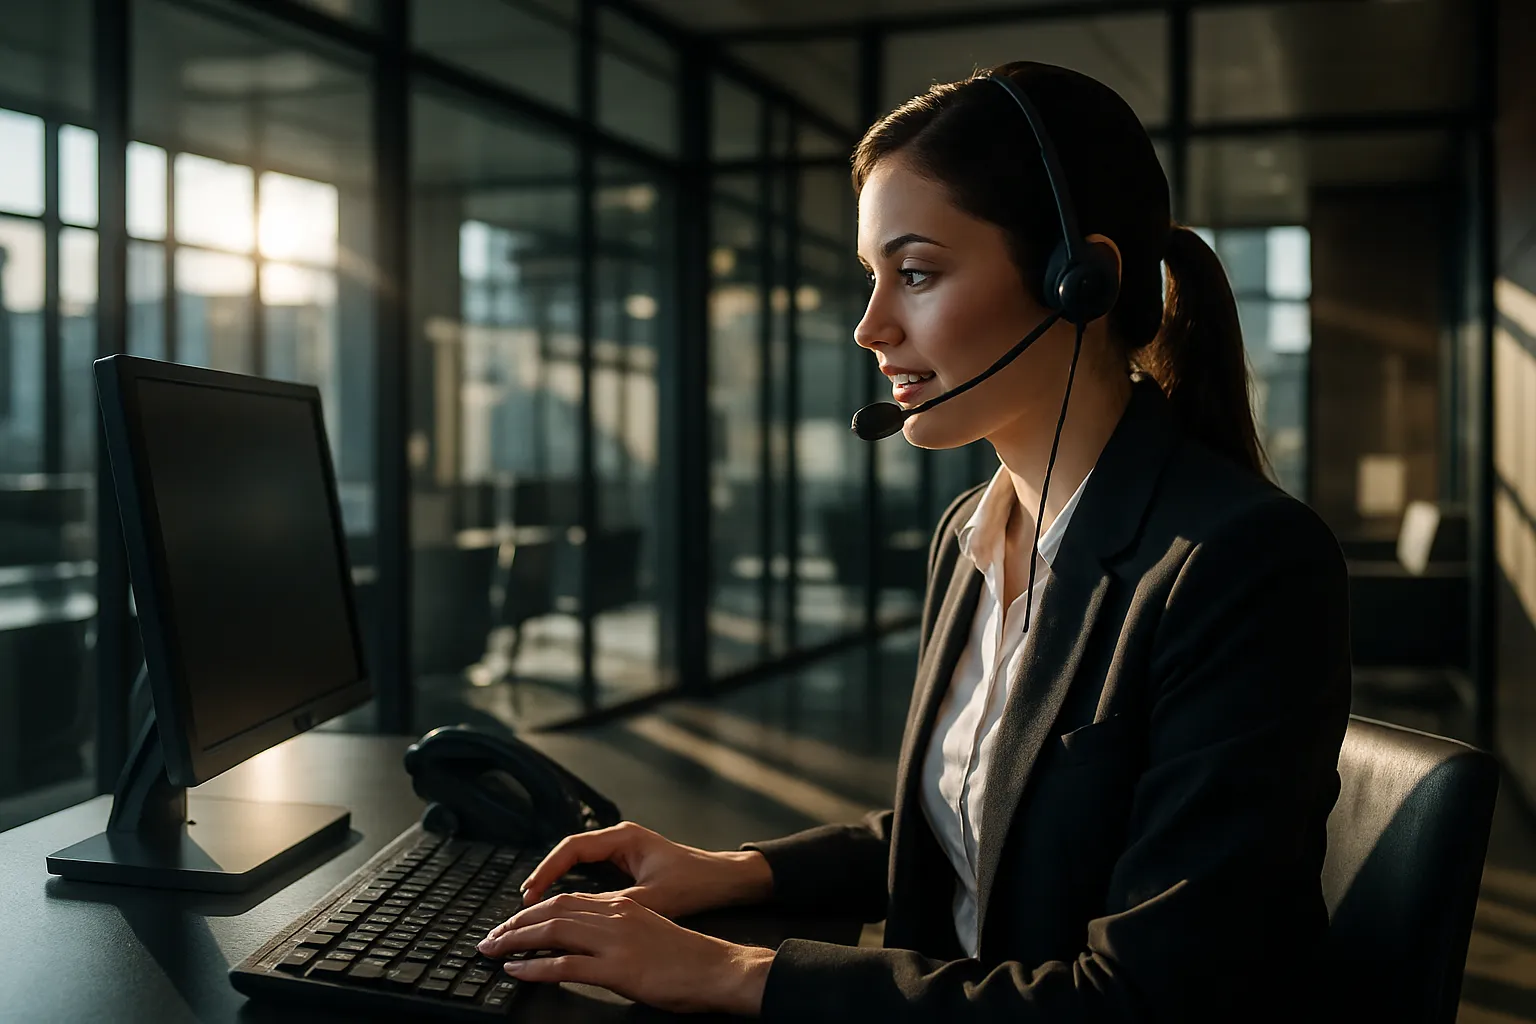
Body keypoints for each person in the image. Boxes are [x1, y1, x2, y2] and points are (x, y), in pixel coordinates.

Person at [475, 60, 1352, 1022]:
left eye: (918, 272)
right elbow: (981, 820)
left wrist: (731, 973)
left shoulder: (1240, 565)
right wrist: (731, 874)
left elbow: (1148, 998)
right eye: (872, 277)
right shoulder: (970, 535)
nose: (870, 326)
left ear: (1077, 281)